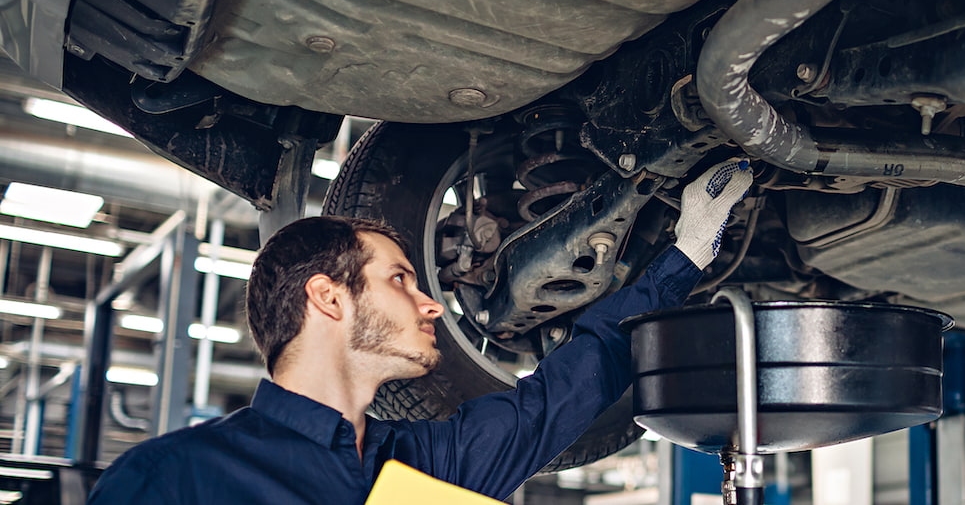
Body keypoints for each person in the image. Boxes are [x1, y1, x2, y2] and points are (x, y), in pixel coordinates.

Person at [87, 160, 754, 504]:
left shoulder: (423, 470)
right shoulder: (172, 479)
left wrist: (687, 253)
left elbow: (570, 386)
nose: (431, 305)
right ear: (327, 298)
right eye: (400, 281)